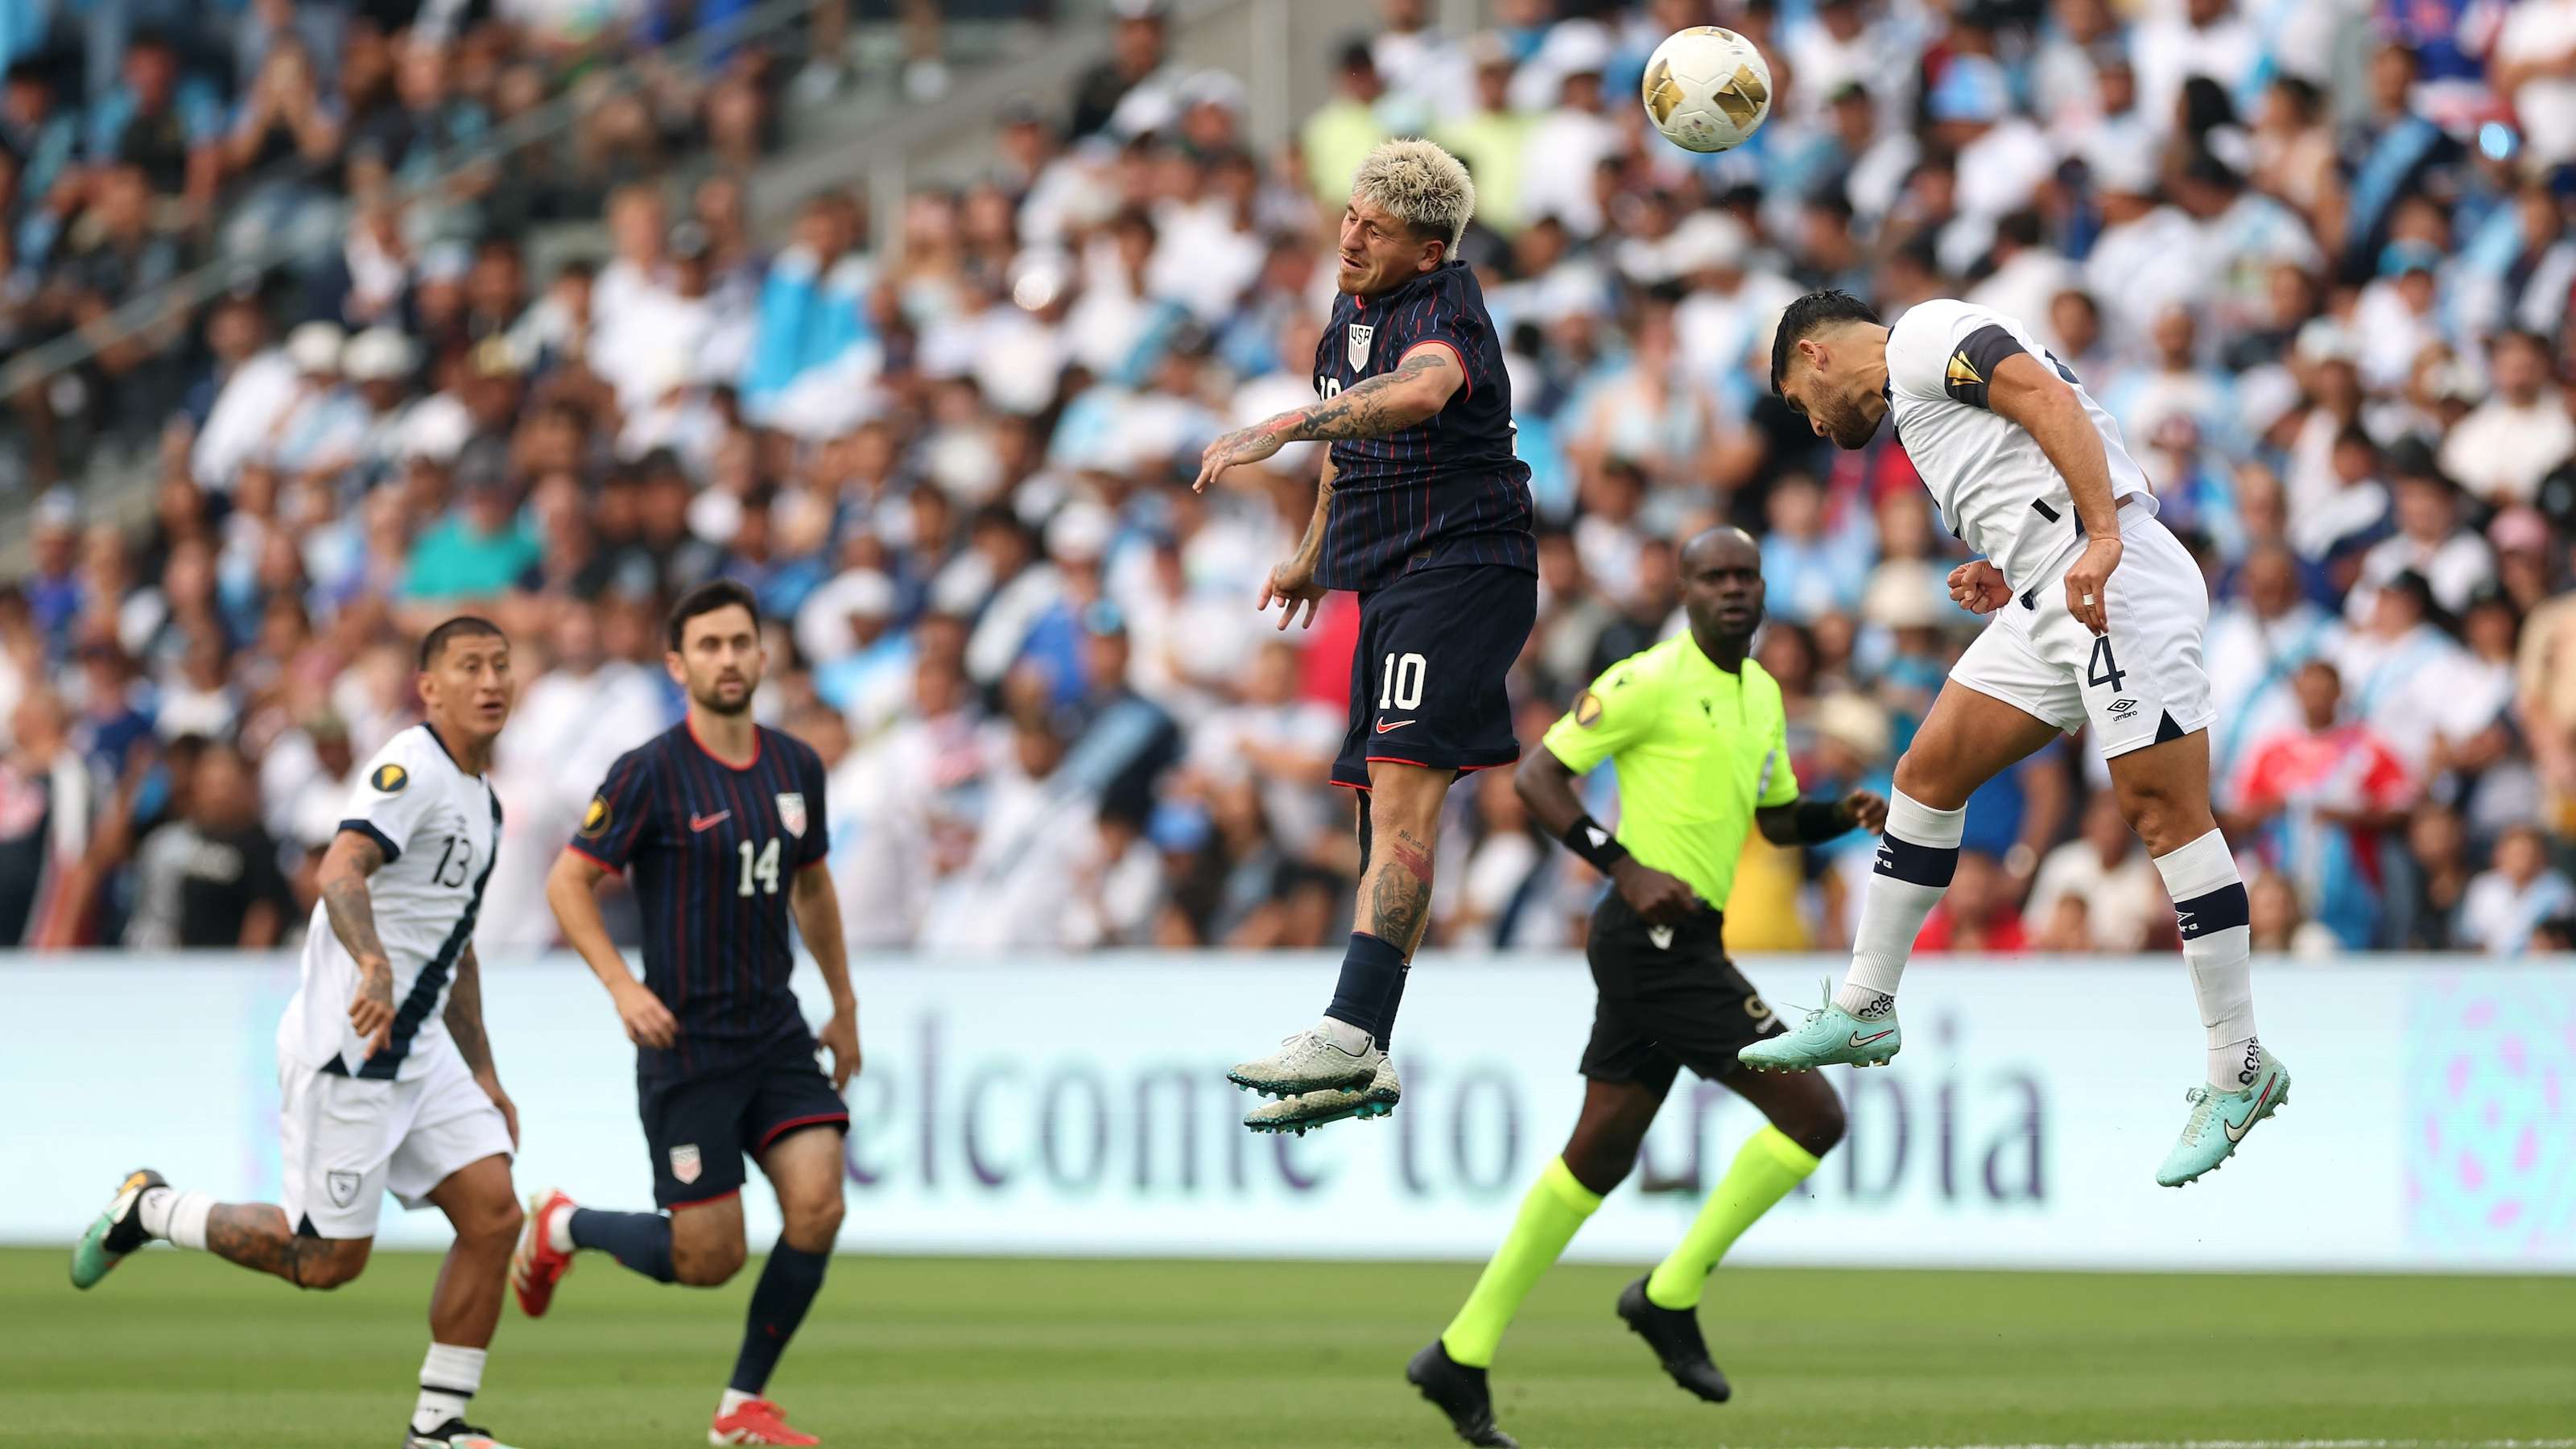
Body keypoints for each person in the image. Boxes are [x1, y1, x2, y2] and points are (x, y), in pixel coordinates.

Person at [1759, 289, 2287, 1187]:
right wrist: (2003, 563)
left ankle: (2238, 1065)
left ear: (1813, 356)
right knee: (1926, 771)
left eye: (1796, 404)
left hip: (2109, 582)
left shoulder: (1924, 335)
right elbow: (2032, 457)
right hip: (2048, 591)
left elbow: (2044, 397)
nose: (1811, 426)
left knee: (2163, 813)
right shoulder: (1920, 396)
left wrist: (2102, 536)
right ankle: (1866, 1002)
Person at [1401, 529, 1885, 1449]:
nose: (1733, 590)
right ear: (1685, 590)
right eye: (1714, 577)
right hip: (1650, 936)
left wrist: (1838, 814)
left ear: (1762, 589)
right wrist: (1618, 867)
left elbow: (1775, 823)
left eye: (1746, 575)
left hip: (1677, 937)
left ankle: (1457, 1355)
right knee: (1814, 1116)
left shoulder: (1763, 695)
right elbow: (1539, 777)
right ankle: (1668, 1295)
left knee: (1602, 1151)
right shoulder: (1645, 679)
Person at [71, 617, 532, 1449]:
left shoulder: (484, 802)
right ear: (429, 688)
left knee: (495, 1215)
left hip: (418, 1053)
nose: (491, 680)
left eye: (501, 665)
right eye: (469, 666)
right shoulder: (412, 765)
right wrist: (372, 964)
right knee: (323, 1263)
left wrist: (487, 1073)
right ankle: (153, 1209)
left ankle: (438, 1428)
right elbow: (340, 868)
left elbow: (453, 945)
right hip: (349, 1053)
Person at [1193, 138, 1536, 1133]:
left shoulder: (1444, 309)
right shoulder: (1349, 316)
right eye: (1348, 216)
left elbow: (1422, 391)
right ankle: (1366, 1052)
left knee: (1401, 803)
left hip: (1460, 566)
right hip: (1393, 578)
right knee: (1377, 812)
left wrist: (1279, 427)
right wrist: (1311, 553)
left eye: (1375, 229)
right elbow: (1354, 444)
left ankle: (1349, 1029)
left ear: (1427, 251)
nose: (1348, 236)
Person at [520, 580, 859, 1449]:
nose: (728, 659)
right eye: (708, 646)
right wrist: (621, 988)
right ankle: (564, 1224)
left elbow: (812, 884)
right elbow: (567, 882)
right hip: (687, 1044)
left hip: (775, 1030)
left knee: (818, 1206)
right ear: (678, 665)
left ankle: (739, 1407)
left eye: (740, 642)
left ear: (762, 653)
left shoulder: (795, 766)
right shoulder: (649, 772)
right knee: (709, 1259)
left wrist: (844, 1004)